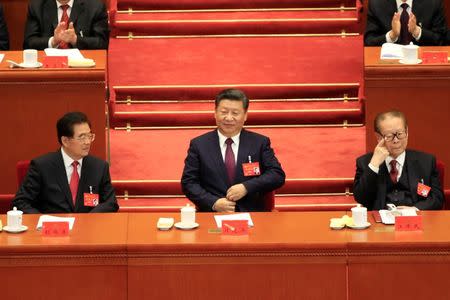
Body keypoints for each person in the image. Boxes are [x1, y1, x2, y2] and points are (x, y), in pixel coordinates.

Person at [181, 89, 285, 212]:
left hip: (252, 215)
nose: (229, 118)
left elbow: (277, 175)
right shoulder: (199, 145)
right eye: (224, 112)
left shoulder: (259, 143)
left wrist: (246, 187)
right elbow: (188, 183)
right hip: (212, 215)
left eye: (235, 113)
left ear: (245, 115)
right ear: (215, 113)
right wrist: (213, 203)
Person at [13, 112, 118, 213]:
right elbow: (21, 202)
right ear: (65, 141)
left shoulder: (99, 167)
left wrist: (90, 218)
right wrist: (43, 221)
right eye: (82, 137)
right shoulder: (42, 166)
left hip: (89, 227)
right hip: (53, 228)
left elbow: (111, 203)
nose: (87, 142)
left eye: (89, 136)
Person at [353, 110, 443, 210]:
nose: (396, 140)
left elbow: (437, 199)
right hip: (379, 222)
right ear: (379, 137)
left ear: (407, 132)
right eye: (389, 136)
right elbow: (360, 198)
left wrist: (416, 209)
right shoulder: (365, 163)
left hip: (414, 220)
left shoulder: (426, 161)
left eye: (400, 134)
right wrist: (374, 165)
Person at [23, 0, 109, 50]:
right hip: (47, 69)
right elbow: (28, 43)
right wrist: (53, 41)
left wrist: (75, 40)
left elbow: (102, 43)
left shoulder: (95, 6)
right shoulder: (37, 6)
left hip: (82, 70)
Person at [364, 0, 447, 46]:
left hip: (423, 66)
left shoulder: (433, 3)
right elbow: (369, 41)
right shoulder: (377, 4)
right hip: (389, 66)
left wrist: (418, 32)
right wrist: (392, 35)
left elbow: (443, 39)